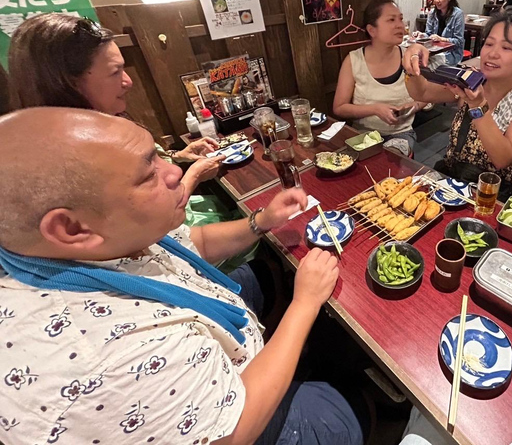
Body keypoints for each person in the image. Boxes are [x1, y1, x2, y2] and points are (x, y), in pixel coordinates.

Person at [0, 107, 363, 445]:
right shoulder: (111, 358)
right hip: (236, 421)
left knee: (269, 272)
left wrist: (261, 221)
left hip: (207, 317)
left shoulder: (87, 244)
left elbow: (194, 242)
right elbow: (233, 433)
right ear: (71, 228)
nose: (175, 171)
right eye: (147, 173)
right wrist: (305, 303)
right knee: (339, 412)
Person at [6, 14, 225, 219]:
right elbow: (151, 220)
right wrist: (194, 175)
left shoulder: (104, 123)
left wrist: (178, 156)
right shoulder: (74, 158)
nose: (128, 82)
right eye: (115, 72)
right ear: (67, 84)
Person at [403, 9, 512, 198]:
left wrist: (478, 105)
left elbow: (502, 157)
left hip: (490, 197)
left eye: (506, 48)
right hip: (450, 185)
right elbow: (422, 91)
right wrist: (411, 66)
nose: (492, 53)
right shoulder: (473, 77)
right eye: (489, 44)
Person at [332, 0, 426, 153]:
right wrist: (375, 109)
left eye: (400, 19)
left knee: (392, 158)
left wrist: (413, 106)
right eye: (391, 20)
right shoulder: (354, 60)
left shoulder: (409, 57)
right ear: (372, 30)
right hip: (363, 135)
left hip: (400, 134)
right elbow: (339, 108)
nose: (400, 25)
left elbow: (425, 96)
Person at [423, 0, 465, 66]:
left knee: (429, 64)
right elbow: (429, 34)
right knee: (420, 59)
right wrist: (421, 35)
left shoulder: (458, 14)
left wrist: (442, 39)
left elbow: (459, 41)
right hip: (434, 51)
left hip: (451, 54)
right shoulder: (432, 13)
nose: (437, 0)